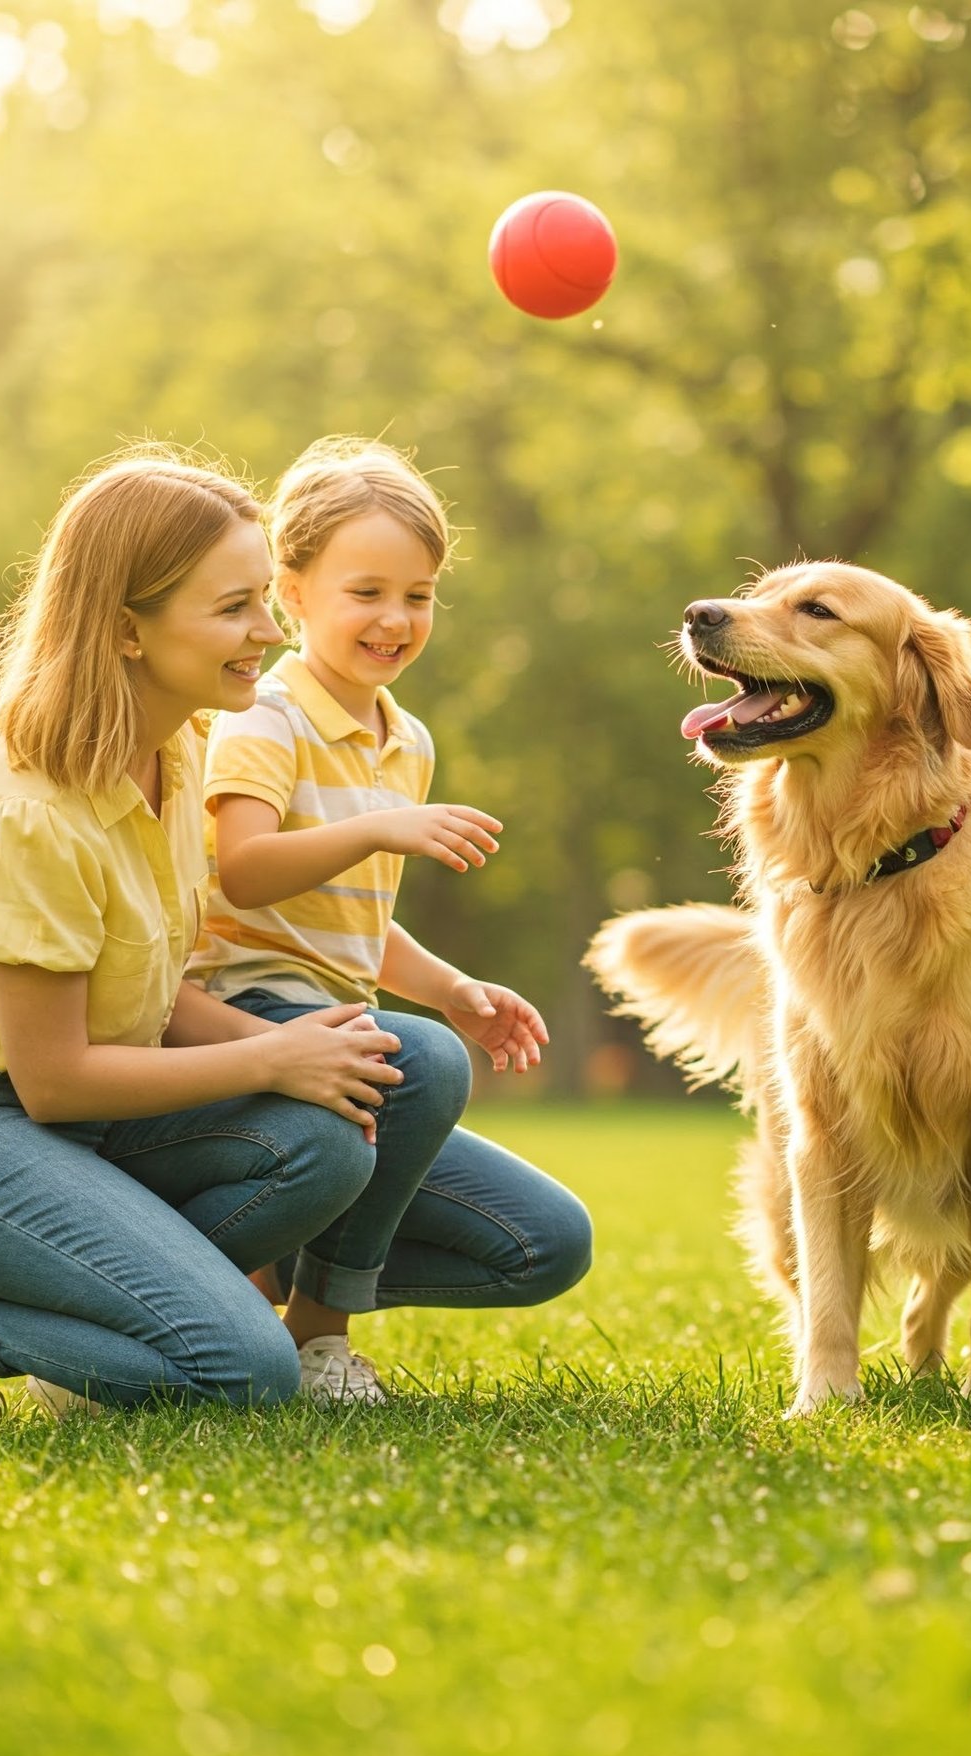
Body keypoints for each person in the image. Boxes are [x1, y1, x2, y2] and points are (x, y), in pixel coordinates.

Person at [0, 449, 408, 1424]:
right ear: (125, 629)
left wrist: (305, 1052)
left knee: (329, 1145)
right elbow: (54, 1076)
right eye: (235, 608)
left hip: (77, 1113)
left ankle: (125, 1325)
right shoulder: (24, 811)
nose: (269, 634)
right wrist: (271, 1053)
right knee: (247, 1375)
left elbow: (144, 996)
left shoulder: (179, 748)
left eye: (264, 600)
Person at [186, 437, 591, 1402]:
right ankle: (320, 1335)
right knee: (417, 1062)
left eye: (419, 595)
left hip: (337, 1025)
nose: (396, 618)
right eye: (365, 591)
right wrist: (378, 828)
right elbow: (241, 874)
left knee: (546, 1244)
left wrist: (454, 991)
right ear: (289, 591)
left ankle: (260, 1266)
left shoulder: (404, 738)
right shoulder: (263, 716)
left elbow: (349, 929)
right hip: (239, 1021)